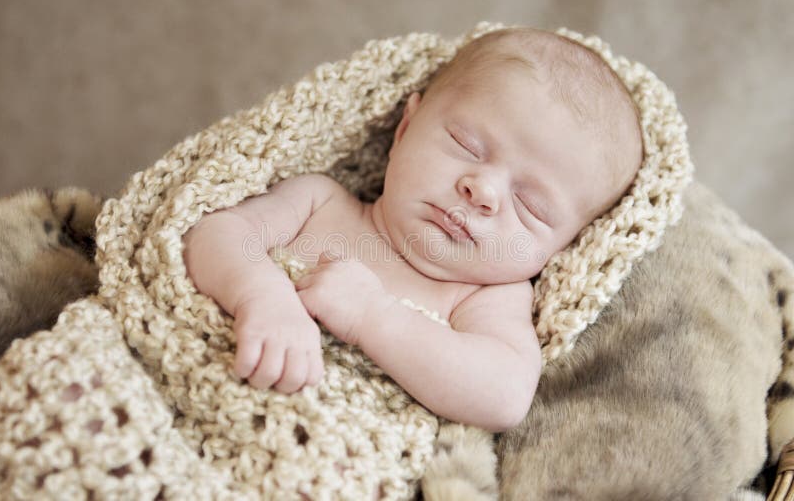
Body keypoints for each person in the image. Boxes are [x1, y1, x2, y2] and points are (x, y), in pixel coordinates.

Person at [182, 27, 643, 433]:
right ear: (405, 128)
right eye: (466, 145)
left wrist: (373, 316)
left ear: (565, 247)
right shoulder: (317, 201)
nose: (482, 190)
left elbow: (503, 396)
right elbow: (214, 232)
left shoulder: (484, 298)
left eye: (531, 206)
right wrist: (261, 297)